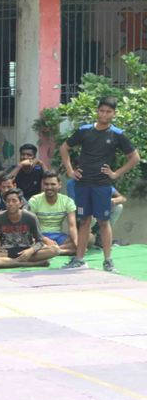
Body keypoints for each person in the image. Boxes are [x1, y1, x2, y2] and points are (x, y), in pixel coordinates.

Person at [60, 97, 141, 272]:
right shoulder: (84, 131)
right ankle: (79, 259)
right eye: (102, 111)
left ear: (114, 114)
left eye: (108, 112)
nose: (104, 114)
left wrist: (116, 173)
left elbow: (135, 158)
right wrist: (70, 171)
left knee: (104, 222)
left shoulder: (117, 134)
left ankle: (108, 261)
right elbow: (64, 148)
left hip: (102, 185)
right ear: (97, 111)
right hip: (82, 183)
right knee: (84, 221)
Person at [0, 188, 59, 269]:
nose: (10, 203)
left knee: (55, 249)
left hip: (27, 252)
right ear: (5, 203)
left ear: (21, 203)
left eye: (14, 201)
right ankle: (30, 264)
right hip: (6, 253)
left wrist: (31, 250)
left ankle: (12, 262)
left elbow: (40, 241)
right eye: (8, 201)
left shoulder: (30, 217)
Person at [28, 171, 78, 256]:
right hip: (40, 236)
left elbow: (72, 226)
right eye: (46, 184)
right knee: (30, 243)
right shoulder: (34, 201)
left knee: (89, 238)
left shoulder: (67, 201)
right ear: (42, 185)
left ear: (59, 185)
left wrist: (77, 244)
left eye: (53, 184)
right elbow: (30, 227)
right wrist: (45, 239)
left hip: (59, 237)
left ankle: (54, 251)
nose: (49, 187)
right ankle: (61, 251)